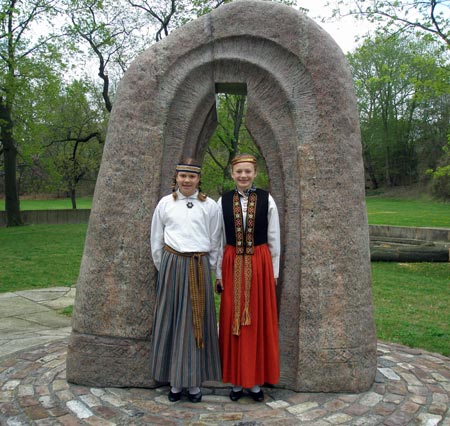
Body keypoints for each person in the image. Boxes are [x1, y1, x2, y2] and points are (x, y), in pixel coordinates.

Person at [150, 158, 222, 403]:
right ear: (176, 177)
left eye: (192, 177)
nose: (187, 181)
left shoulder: (210, 206)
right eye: (183, 176)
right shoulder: (165, 204)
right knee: (172, 322)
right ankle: (174, 382)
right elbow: (156, 239)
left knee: (195, 324)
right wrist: (166, 267)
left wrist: (210, 268)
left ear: (198, 179)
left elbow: (215, 241)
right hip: (172, 265)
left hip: (198, 265)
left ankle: (193, 384)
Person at [216, 153, 281, 402]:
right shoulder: (222, 201)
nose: (243, 175)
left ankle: (254, 381)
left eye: (248, 171)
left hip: (259, 261)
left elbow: (274, 237)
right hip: (232, 262)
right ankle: (235, 380)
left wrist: (273, 272)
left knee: (256, 321)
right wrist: (219, 272)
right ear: (232, 174)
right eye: (238, 171)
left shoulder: (266, 199)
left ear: (255, 173)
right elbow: (218, 238)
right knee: (233, 320)